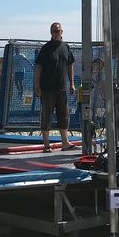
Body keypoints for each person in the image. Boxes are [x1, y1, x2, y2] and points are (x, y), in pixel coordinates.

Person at [34, 22, 76, 152]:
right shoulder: (46, 48)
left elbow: (70, 66)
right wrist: (37, 86)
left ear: (62, 32)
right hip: (47, 88)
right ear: (50, 33)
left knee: (64, 115)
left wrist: (72, 84)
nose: (56, 33)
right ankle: (46, 145)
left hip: (62, 87)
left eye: (58, 31)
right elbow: (38, 68)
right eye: (53, 31)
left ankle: (65, 142)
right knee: (46, 115)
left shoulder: (66, 47)